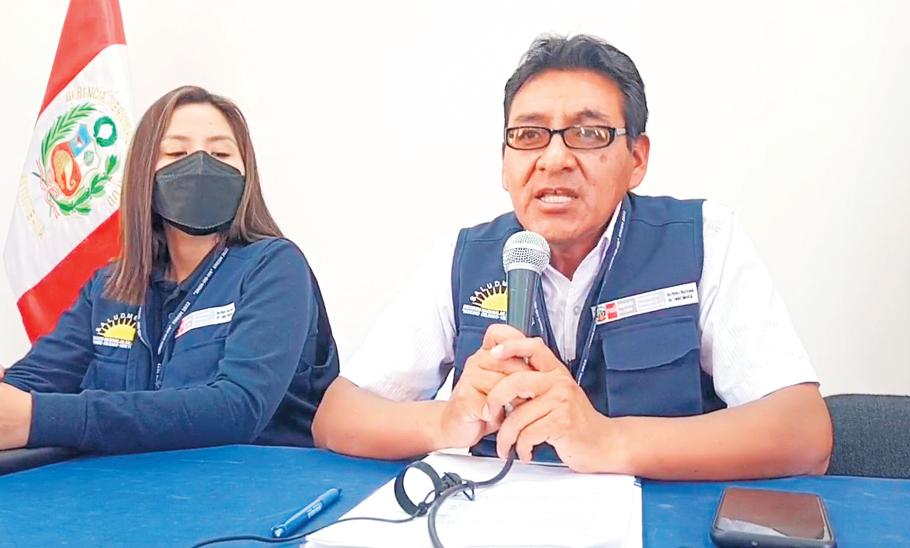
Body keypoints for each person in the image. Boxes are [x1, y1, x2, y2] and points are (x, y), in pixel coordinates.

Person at [312, 35, 832, 479]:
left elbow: (803, 431)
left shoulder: (703, 239)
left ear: (636, 159)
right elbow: (338, 415)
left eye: (587, 134)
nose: (555, 158)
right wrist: (445, 421)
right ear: (505, 163)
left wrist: (608, 440)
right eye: (529, 135)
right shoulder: (463, 257)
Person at [0, 86, 338, 453]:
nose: (201, 166)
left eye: (221, 153)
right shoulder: (110, 286)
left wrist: (43, 418)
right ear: (144, 172)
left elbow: (238, 408)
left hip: (251, 481)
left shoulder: (274, 266)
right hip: (127, 481)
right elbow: (30, 384)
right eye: (177, 153)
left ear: (246, 173)